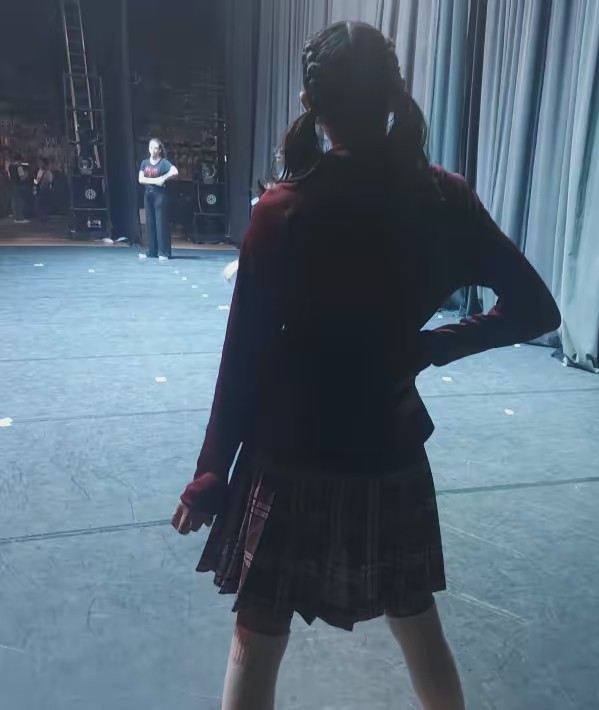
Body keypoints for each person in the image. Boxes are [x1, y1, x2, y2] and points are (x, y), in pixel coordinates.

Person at [172, 21, 561, 710]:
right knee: (416, 620)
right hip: (390, 450)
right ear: (392, 92)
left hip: (288, 458)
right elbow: (535, 308)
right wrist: (432, 346)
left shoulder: (283, 210)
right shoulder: (444, 198)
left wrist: (210, 475)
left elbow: (243, 360)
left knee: (258, 632)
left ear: (310, 103)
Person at [138, 138, 178, 260]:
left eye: (156, 148)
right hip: (148, 194)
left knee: (161, 223)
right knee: (150, 223)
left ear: (160, 150)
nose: (153, 150)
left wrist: (163, 178)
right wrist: (156, 180)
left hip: (159, 195)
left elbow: (175, 172)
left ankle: (163, 253)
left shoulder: (163, 163)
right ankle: (152, 251)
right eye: (151, 147)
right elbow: (141, 179)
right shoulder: (144, 163)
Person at [8, 154, 30, 223]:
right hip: (19, 185)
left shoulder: (10, 166)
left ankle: (15, 216)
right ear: (19, 160)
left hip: (12, 185)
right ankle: (20, 217)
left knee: (14, 200)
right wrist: (26, 174)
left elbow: (9, 176)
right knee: (20, 201)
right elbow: (22, 177)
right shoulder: (19, 166)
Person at [35, 157, 54, 222]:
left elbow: (50, 181)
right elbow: (37, 181)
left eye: (41, 163)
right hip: (40, 188)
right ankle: (41, 215)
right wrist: (36, 182)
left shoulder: (49, 172)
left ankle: (45, 215)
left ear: (45, 164)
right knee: (40, 203)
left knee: (45, 203)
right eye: (39, 163)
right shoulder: (39, 171)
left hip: (46, 189)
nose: (40, 164)